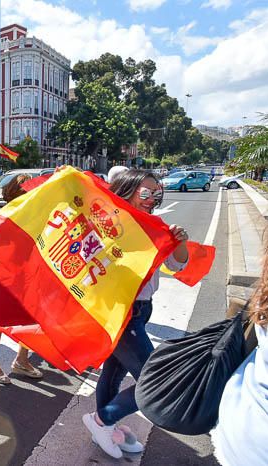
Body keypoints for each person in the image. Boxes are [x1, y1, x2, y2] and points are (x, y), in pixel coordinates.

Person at [83, 169, 189, 459]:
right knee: (157, 382)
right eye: (146, 193)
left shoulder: (157, 226)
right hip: (120, 311)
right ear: (129, 189)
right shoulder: (105, 222)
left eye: (156, 194)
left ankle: (107, 422)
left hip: (142, 309)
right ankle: (102, 420)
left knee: (114, 371)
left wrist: (179, 240)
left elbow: (178, 264)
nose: (151, 199)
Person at [0, 174, 44, 384]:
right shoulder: (4, 216)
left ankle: (21, 360)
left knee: (30, 316)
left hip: (26, 272)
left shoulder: (33, 215)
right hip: (3, 273)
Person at [212, 243, 268, 465]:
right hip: (254, 445)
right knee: (146, 374)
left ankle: (103, 419)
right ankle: (103, 418)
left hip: (236, 422)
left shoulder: (263, 295)